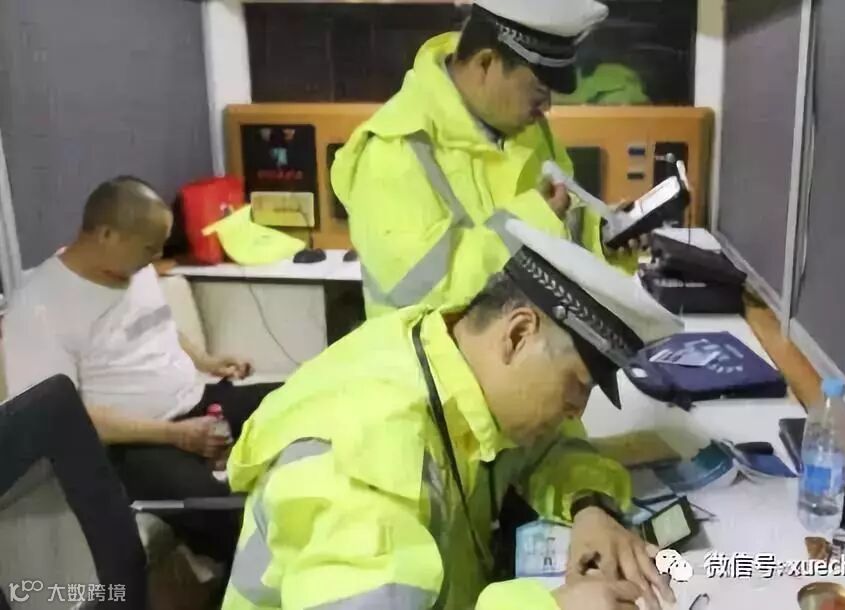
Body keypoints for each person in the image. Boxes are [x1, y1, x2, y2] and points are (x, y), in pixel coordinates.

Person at [220, 218, 683, 610]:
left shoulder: (452, 351)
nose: (576, 410)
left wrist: (589, 507)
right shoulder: (365, 459)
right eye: (576, 385)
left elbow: (549, 448)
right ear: (518, 334)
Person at [1, 176, 282, 563]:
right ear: (107, 235)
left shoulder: (132, 266)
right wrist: (175, 435)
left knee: (301, 399)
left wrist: (205, 360)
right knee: (220, 512)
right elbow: (63, 419)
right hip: (132, 445)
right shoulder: (38, 308)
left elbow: (155, 322)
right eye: (150, 248)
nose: (157, 256)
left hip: (196, 402)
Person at [331, 0, 646, 321]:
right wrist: (528, 224)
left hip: (527, 341)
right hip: (439, 353)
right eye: (538, 91)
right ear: (485, 64)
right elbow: (417, 291)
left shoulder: (528, 130)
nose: (546, 107)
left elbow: (563, 221)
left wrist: (603, 240)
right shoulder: (395, 148)